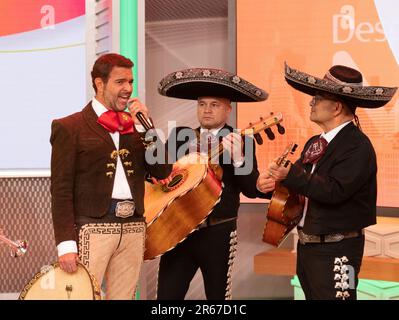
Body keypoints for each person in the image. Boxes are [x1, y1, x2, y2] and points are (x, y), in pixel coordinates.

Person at [268, 63, 397, 300]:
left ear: (336, 107)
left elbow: (334, 191)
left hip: (339, 251)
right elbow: (299, 184)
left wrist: (291, 175)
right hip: (308, 248)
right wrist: (274, 182)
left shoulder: (358, 145)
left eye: (317, 98)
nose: (311, 103)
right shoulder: (314, 143)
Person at [50, 53, 172, 299]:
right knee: (84, 297)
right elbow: (60, 191)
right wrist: (66, 244)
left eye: (130, 82)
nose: (128, 89)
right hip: (92, 229)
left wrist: (146, 126)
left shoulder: (136, 127)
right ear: (99, 83)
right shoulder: (69, 127)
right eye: (120, 82)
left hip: (133, 229)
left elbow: (162, 171)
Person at [155, 68, 275, 300]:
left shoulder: (241, 140)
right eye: (202, 104)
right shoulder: (181, 136)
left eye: (214, 104)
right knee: (167, 298)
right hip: (178, 229)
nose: (207, 110)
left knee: (218, 298)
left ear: (228, 109)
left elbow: (252, 189)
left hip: (218, 231)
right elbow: (160, 176)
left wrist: (239, 158)